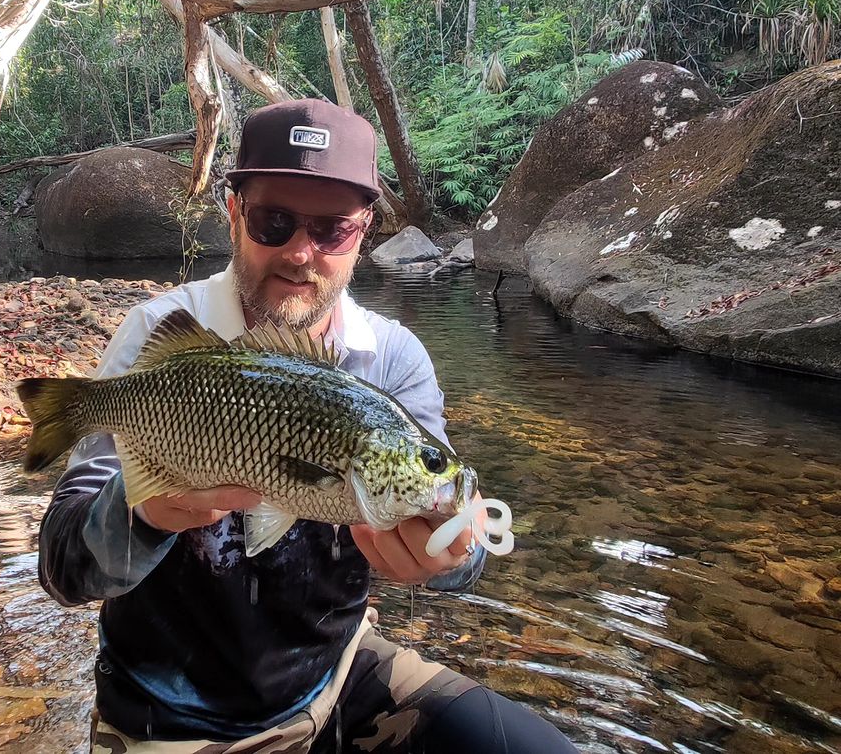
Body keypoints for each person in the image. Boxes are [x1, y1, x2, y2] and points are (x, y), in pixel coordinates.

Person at [38, 99, 578, 753]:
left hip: (338, 680)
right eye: (274, 221)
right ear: (234, 214)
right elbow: (63, 570)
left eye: (331, 231)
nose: (301, 252)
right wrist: (146, 510)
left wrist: (451, 557)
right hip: (170, 723)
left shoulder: (392, 359)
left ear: (364, 233)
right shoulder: (162, 336)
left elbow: (462, 539)